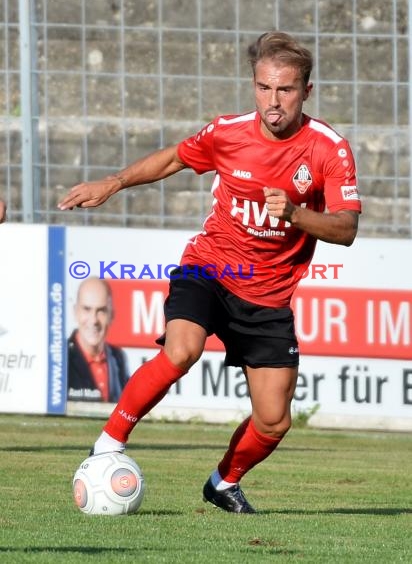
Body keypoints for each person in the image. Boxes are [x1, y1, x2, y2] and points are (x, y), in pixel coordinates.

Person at [58, 31, 361, 513]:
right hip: (210, 268)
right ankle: (108, 444)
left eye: (285, 89)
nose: (273, 100)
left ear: (307, 90)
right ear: (254, 85)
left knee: (274, 420)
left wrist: (297, 216)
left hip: (268, 296)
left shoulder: (329, 149)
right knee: (182, 349)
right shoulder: (228, 132)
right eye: (264, 87)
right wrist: (112, 183)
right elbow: (175, 158)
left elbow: (346, 228)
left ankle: (223, 482)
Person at [68, 276, 129, 403]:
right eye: (87, 309)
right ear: (75, 312)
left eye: (101, 311)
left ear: (111, 315)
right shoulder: (60, 358)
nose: (94, 320)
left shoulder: (118, 358)